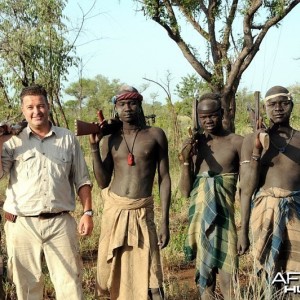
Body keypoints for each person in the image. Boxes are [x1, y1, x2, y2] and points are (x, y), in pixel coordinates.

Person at [0, 84, 93, 300]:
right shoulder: (13, 140)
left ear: (48, 106)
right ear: (23, 110)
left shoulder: (67, 138)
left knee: (69, 284)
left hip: (60, 223)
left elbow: (82, 179)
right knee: (27, 287)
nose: (36, 112)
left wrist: (88, 213)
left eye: (40, 106)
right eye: (30, 107)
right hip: (22, 224)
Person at [89, 85, 171, 300]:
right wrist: (94, 148)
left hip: (142, 211)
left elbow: (165, 178)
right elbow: (102, 181)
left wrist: (165, 222)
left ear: (139, 105)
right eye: (122, 104)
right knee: (111, 269)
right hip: (115, 211)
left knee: (152, 274)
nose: (128, 108)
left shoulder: (155, 135)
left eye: (132, 103)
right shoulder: (110, 140)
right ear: (116, 108)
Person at [179, 93, 243, 300]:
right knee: (205, 278)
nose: (207, 120)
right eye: (203, 116)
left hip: (226, 221)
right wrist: (186, 160)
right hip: (199, 221)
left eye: (212, 115)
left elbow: (247, 186)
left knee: (228, 277)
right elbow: (185, 191)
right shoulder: (196, 146)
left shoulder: (236, 142)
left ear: (222, 113)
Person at [238, 86, 300, 282]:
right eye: (272, 104)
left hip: (295, 214)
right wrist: (257, 149)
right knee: (268, 273)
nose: (278, 108)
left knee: (295, 274)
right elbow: (246, 190)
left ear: (292, 106)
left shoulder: (299, 139)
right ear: (265, 109)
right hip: (264, 215)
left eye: (284, 103)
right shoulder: (250, 141)